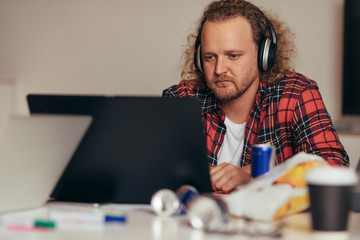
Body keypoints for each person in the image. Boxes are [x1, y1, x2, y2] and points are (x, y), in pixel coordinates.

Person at [162, 0, 349, 193]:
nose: (219, 69)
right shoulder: (181, 99)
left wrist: (254, 175)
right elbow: (155, 167)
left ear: (264, 56)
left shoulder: (296, 94)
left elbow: (333, 166)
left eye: (233, 56)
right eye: (210, 57)